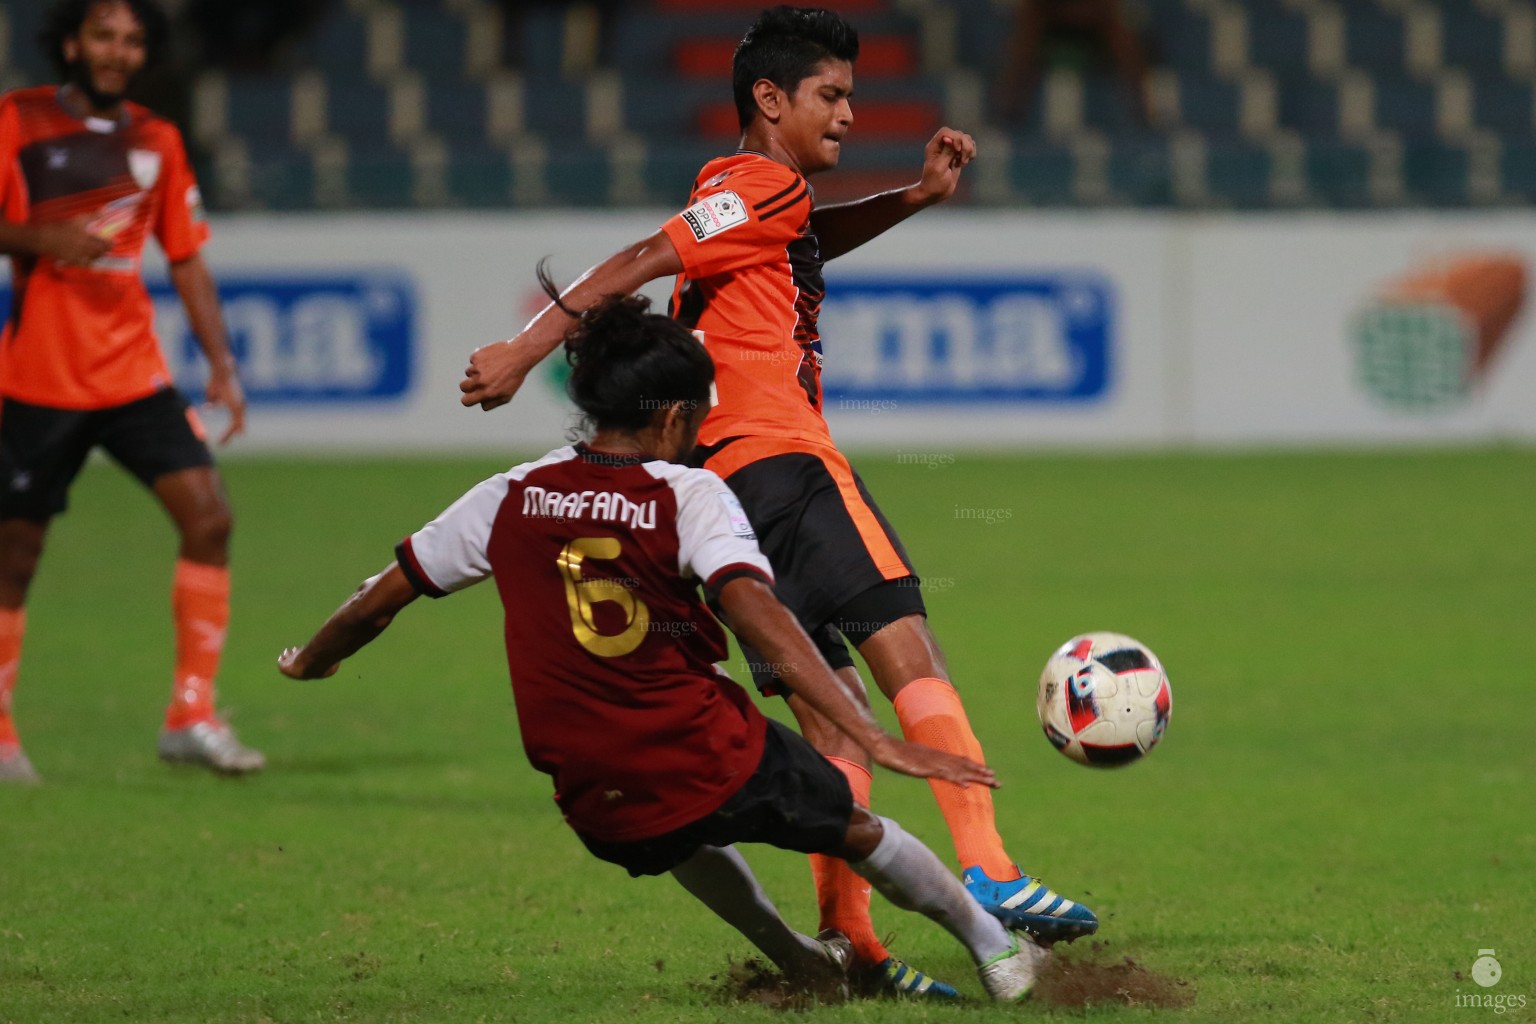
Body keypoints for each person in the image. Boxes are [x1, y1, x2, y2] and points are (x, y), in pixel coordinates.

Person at [458, 4, 1098, 999]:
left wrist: (915, 197)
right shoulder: (755, 183)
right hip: (785, 462)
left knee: (836, 723)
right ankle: (989, 865)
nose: (849, 113)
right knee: (909, 656)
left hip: (721, 501)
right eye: (831, 96)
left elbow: (799, 244)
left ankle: (856, 946)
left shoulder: (763, 200)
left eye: (851, 95)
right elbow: (639, 259)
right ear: (769, 100)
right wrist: (523, 349)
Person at [277, 282, 1049, 1002]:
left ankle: (797, 958)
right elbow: (754, 608)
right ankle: (997, 950)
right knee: (856, 828)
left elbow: (377, 600)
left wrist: (311, 659)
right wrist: (868, 734)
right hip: (701, 745)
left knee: (673, 833)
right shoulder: (688, 493)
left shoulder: (507, 494)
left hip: (586, 791)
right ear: (677, 416)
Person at [0, 0, 263, 782]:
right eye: (104, 36)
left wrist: (220, 363)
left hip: (132, 376)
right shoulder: (19, 119)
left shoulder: (158, 138)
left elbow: (185, 257)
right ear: (72, 44)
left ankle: (190, 713)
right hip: (38, 379)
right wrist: (36, 238)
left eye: (132, 39)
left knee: (210, 518)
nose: (118, 52)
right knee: (16, 556)